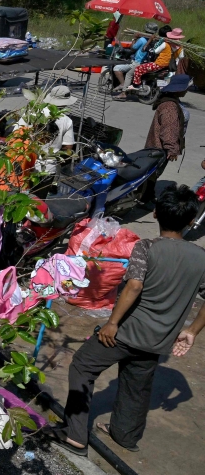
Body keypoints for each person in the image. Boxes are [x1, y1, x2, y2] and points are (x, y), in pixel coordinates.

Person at [54, 185, 205, 455]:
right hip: (160, 339)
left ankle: (75, 434)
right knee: (137, 385)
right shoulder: (201, 258)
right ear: (192, 221)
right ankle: (125, 436)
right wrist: (192, 331)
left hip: (126, 331)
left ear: (156, 214)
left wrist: (112, 322)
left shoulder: (146, 247)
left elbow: (134, 286)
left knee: (82, 366)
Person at [140, 74, 191, 205]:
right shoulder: (170, 106)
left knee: (153, 172)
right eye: (186, 88)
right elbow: (168, 129)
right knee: (153, 172)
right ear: (179, 89)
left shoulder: (172, 102)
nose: (187, 90)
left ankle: (145, 195)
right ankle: (143, 198)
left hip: (159, 145)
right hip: (160, 147)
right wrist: (171, 148)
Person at [112, 22, 156, 92]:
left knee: (116, 68)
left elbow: (133, 48)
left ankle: (123, 86)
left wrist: (134, 38)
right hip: (147, 62)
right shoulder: (154, 40)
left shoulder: (142, 40)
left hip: (137, 62)